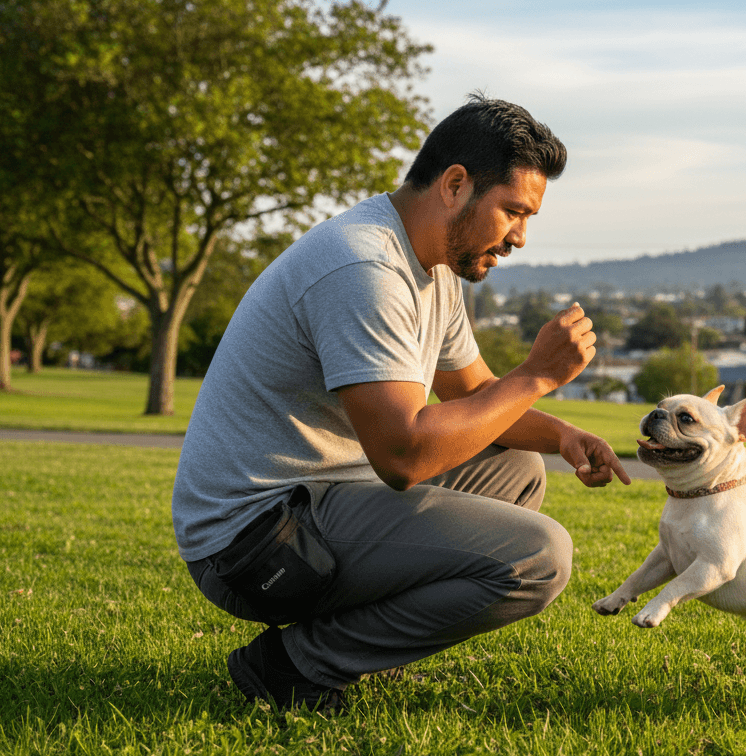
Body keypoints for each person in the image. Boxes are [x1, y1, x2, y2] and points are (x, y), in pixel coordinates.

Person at [171, 94, 630, 713]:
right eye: (513, 211)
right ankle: (294, 667)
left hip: (320, 502)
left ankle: (360, 648)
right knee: (539, 557)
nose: (520, 237)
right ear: (456, 184)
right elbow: (404, 456)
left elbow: (473, 398)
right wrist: (537, 375)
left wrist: (561, 435)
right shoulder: (364, 267)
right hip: (255, 542)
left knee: (516, 469)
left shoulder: (433, 267)